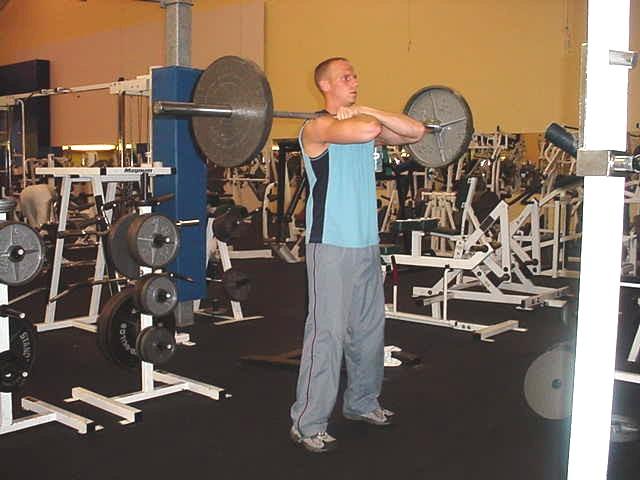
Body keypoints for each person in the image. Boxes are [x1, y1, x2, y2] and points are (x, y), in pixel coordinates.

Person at [289, 57, 427, 453]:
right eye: (346, 77)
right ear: (325, 85)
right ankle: (308, 423)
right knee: (327, 335)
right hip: (331, 245)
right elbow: (366, 128)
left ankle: (363, 403)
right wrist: (365, 116)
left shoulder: (364, 126)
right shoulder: (317, 128)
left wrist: (367, 109)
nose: (354, 81)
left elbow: (416, 132)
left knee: (368, 331)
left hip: (366, 243)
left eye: (355, 76)